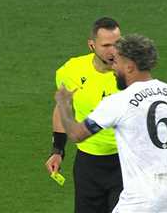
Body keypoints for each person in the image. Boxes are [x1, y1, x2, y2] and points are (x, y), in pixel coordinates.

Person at [55, 34, 167, 213]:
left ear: (130, 67)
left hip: (139, 201)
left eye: (116, 62)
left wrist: (63, 105)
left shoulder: (118, 102)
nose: (113, 67)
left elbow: (76, 134)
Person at [45, 17, 123, 213]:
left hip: (124, 161)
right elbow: (63, 108)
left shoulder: (130, 73)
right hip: (88, 165)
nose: (113, 51)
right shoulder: (71, 70)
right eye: (106, 45)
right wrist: (57, 150)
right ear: (91, 45)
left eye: (117, 44)